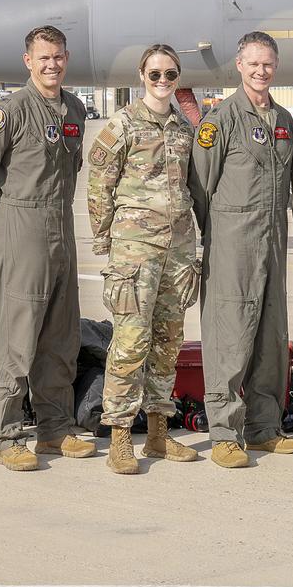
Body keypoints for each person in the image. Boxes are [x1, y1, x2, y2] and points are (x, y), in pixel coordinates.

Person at [0, 26, 92, 471]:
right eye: (43, 58)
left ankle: (55, 429)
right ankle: (8, 433)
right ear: (27, 61)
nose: (51, 65)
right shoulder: (11, 111)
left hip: (60, 223)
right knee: (18, 338)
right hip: (22, 224)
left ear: (66, 57)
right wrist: (3, 217)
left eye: (58, 57)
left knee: (61, 335)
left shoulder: (73, 107)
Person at [87, 44, 204, 474]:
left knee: (168, 340)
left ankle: (158, 433)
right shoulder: (122, 125)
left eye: (170, 75)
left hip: (177, 249)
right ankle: (120, 434)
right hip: (135, 251)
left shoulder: (182, 127)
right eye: (154, 74)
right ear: (142, 76)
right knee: (130, 342)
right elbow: (99, 185)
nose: (162, 82)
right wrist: (105, 242)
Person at [189, 32, 293, 467]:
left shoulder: (282, 121)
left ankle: (262, 428)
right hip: (232, 240)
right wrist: (213, 237)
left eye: (268, 64)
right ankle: (223, 433)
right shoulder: (220, 120)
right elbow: (201, 186)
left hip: (273, 239)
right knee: (229, 336)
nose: (261, 71)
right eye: (253, 64)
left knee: (270, 337)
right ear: (239, 66)